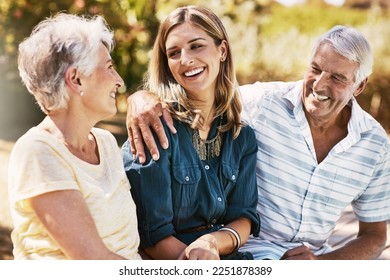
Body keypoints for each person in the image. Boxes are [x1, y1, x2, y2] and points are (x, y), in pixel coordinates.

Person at [125, 25, 390, 259]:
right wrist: (140, 98)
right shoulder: (262, 103)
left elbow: (375, 235)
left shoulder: (374, 146)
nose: (319, 84)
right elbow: (202, 94)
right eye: (316, 69)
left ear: (359, 86)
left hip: (312, 261)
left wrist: (323, 266)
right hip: (247, 252)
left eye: (337, 78)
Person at [122, 6, 260, 260]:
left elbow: (244, 216)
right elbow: (153, 237)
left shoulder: (242, 137)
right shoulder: (156, 127)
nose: (185, 59)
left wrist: (211, 243)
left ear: (222, 50)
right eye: (174, 53)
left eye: (196, 46)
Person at [8, 13, 141, 260]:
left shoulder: (106, 143)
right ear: (76, 79)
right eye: (110, 68)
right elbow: (95, 262)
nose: (119, 81)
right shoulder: (37, 152)